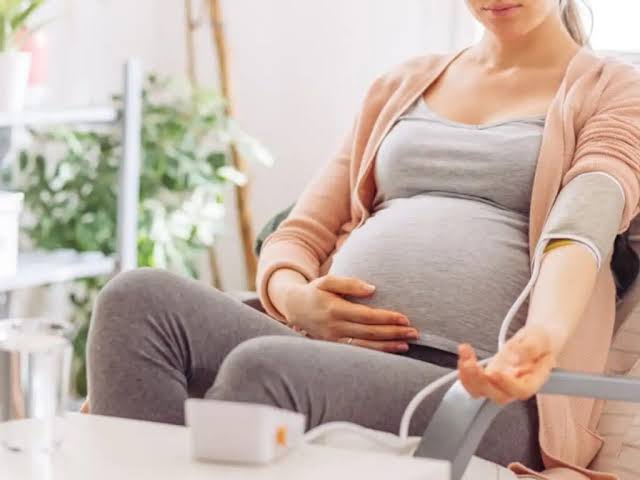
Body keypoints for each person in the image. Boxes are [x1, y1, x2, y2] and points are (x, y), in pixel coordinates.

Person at [86, 1, 640, 478]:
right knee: (134, 300)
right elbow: (300, 232)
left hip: (478, 395)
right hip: (329, 353)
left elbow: (582, 222)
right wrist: (295, 299)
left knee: (265, 369)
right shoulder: (401, 84)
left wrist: (543, 334)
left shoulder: (613, 90)